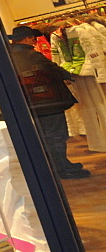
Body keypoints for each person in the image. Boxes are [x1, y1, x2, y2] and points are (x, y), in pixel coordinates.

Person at [6, 25, 90, 179]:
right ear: (27, 38)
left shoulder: (8, 57)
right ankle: (62, 168)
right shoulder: (32, 55)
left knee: (44, 137)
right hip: (47, 103)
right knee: (56, 136)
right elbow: (53, 70)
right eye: (33, 38)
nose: (35, 42)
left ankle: (56, 166)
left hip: (29, 103)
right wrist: (70, 76)